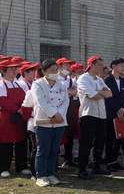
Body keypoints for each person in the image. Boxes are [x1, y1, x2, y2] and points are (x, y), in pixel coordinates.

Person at [30, 59, 69, 187]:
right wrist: (54, 114)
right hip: (43, 122)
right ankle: (41, 175)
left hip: (59, 122)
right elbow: (41, 101)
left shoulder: (61, 84)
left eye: (56, 70)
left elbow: (65, 101)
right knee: (43, 150)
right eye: (52, 70)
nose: (55, 73)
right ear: (44, 71)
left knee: (54, 150)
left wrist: (60, 114)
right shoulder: (37, 84)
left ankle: (51, 173)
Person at [77, 55, 113, 180]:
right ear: (91, 65)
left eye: (102, 65)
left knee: (100, 142)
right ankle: (82, 169)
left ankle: (97, 166)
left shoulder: (99, 79)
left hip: (101, 114)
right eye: (99, 65)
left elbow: (110, 93)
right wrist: (101, 93)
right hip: (88, 114)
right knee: (86, 142)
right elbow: (93, 96)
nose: (101, 67)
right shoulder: (83, 78)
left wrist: (99, 92)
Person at [0, 58, 30, 178]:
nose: (14, 72)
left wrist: (24, 108)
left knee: (21, 141)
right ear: (4, 71)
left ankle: (21, 166)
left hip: (20, 117)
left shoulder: (18, 84)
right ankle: (3, 168)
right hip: (7, 118)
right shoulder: (1, 85)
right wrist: (17, 109)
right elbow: (3, 101)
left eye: (14, 69)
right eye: (11, 69)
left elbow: (26, 98)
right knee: (5, 143)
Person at [104, 58, 124, 171]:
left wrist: (122, 109)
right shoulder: (107, 80)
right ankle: (108, 162)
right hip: (110, 114)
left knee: (119, 139)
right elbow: (108, 98)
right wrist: (117, 109)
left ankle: (114, 161)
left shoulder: (123, 81)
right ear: (113, 66)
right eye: (121, 65)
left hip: (121, 114)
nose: (123, 67)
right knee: (110, 139)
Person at [18, 62, 39, 175]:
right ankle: (24, 165)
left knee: (32, 144)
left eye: (34, 71)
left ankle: (31, 165)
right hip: (23, 116)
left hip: (32, 116)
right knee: (23, 142)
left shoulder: (33, 83)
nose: (34, 74)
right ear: (24, 73)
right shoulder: (21, 84)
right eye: (31, 72)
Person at [62, 62, 83, 168]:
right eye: (65, 65)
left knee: (70, 135)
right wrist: (69, 92)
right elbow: (62, 92)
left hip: (71, 109)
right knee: (62, 136)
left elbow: (75, 92)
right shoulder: (58, 79)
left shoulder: (69, 79)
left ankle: (68, 159)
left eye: (68, 65)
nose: (68, 67)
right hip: (61, 110)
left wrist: (70, 92)